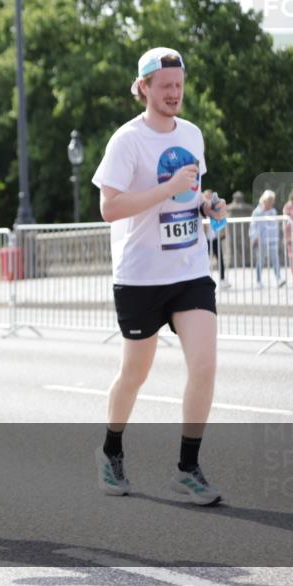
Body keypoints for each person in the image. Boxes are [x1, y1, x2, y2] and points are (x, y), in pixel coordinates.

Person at [91, 47, 227, 506]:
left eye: (179, 85)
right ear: (144, 87)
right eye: (165, 86)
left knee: (205, 365)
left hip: (189, 269)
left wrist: (209, 206)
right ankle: (110, 450)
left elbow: (190, 195)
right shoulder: (126, 141)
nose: (174, 93)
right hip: (141, 275)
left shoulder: (192, 133)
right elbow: (109, 208)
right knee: (135, 372)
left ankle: (187, 469)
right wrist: (166, 188)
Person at [250, 189, 284, 288]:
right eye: (269, 201)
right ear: (264, 200)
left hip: (272, 240)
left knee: (275, 259)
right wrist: (255, 237)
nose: (270, 203)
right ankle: (258, 281)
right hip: (261, 240)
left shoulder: (273, 211)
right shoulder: (257, 212)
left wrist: (278, 238)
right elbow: (253, 225)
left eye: (272, 201)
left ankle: (278, 279)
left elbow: (275, 226)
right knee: (260, 260)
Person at [202, 189, 230, 289]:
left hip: (215, 238)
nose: (208, 198)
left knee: (220, 259)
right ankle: (204, 279)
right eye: (207, 196)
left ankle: (222, 280)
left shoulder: (216, 208)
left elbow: (222, 221)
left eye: (210, 196)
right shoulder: (202, 210)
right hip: (205, 239)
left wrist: (223, 234)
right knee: (204, 260)